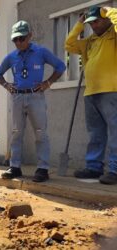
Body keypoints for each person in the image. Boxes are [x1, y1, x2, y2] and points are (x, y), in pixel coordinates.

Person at [0, 20, 66, 182]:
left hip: (35, 97)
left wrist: (48, 83)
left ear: (30, 36)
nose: (18, 42)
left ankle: (42, 168)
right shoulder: (12, 57)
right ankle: (15, 167)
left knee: (40, 132)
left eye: (22, 38)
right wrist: (7, 85)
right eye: (15, 40)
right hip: (18, 97)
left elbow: (60, 66)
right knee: (16, 133)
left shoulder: (41, 52)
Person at [65, 6, 117, 185]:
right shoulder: (90, 41)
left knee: (115, 131)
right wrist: (79, 24)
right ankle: (94, 167)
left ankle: (115, 169)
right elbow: (69, 44)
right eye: (91, 23)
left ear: (106, 19)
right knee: (95, 133)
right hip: (91, 92)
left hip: (112, 90)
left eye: (96, 21)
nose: (93, 25)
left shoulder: (114, 35)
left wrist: (110, 11)